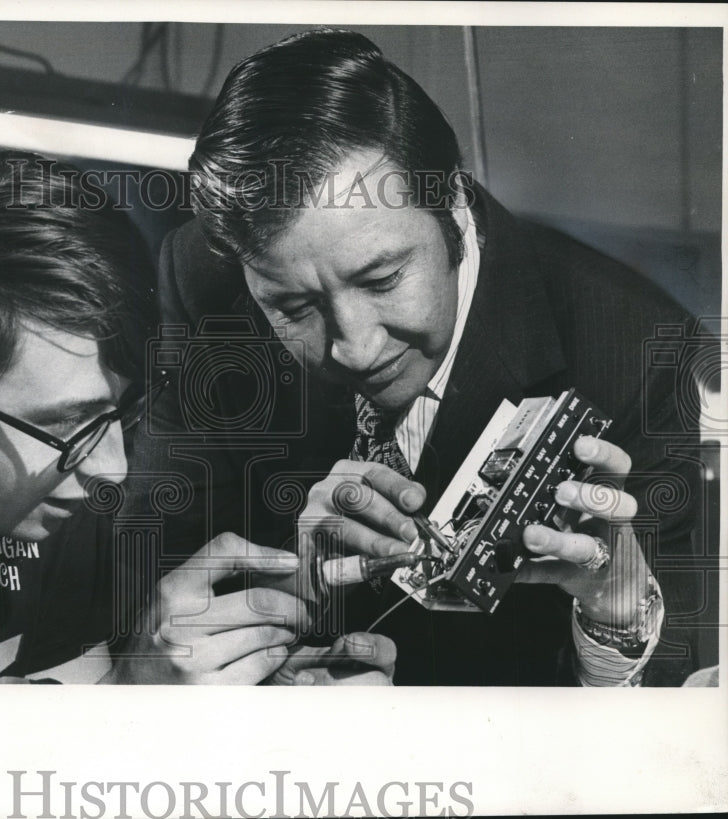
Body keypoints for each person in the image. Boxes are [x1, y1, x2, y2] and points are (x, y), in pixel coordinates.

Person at [135, 29, 710, 686]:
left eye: (382, 280)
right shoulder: (205, 281)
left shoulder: (637, 351)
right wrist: (290, 605)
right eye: (294, 307)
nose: (354, 347)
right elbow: (150, 560)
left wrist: (614, 600)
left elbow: (671, 712)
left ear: (456, 214)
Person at [0, 148, 395, 685]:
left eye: (124, 410)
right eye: (68, 428)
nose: (110, 467)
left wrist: (274, 641)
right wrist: (126, 705)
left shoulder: (72, 463)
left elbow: (91, 663)